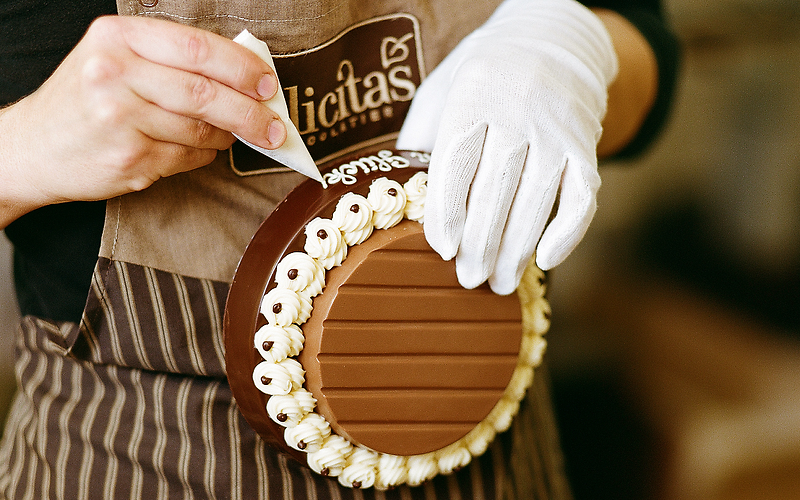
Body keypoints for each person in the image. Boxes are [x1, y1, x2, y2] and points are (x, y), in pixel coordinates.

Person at [0, 0, 679, 498]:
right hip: (141, 461)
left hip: (491, 445)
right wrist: (22, 150)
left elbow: (648, 47)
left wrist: (570, 46)